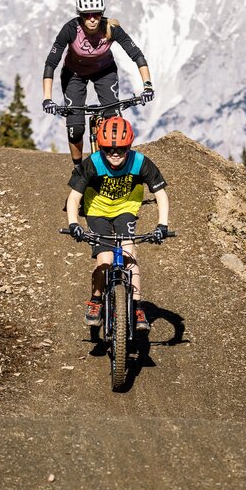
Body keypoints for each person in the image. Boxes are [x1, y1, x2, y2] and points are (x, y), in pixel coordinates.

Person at [65, 117, 169, 331]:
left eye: (121, 149)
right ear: (101, 147)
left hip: (126, 209)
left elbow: (161, 194)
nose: (115, 154)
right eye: (108, 149)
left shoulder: (140, 162)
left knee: (129, 254)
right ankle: (95, 301)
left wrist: (162, 225)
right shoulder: (93, 163)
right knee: (105, 258)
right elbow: (74, 197)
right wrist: (74, 223)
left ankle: (137, 306)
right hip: (97, 211)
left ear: (129, 147)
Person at [42, 0, 154, 166]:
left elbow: (136, 55)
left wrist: (147, 85)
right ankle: (78, 168)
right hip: (74, 74)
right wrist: (47, 98)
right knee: (75, 129)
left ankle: (113, 164)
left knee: (113, 120)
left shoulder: (111, 28)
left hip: (105, 72)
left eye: (96, 14)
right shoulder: (70, 29)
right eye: (87, 15)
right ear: (80, 16)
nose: (92, 19)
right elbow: (51, 63)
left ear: (102, 14)